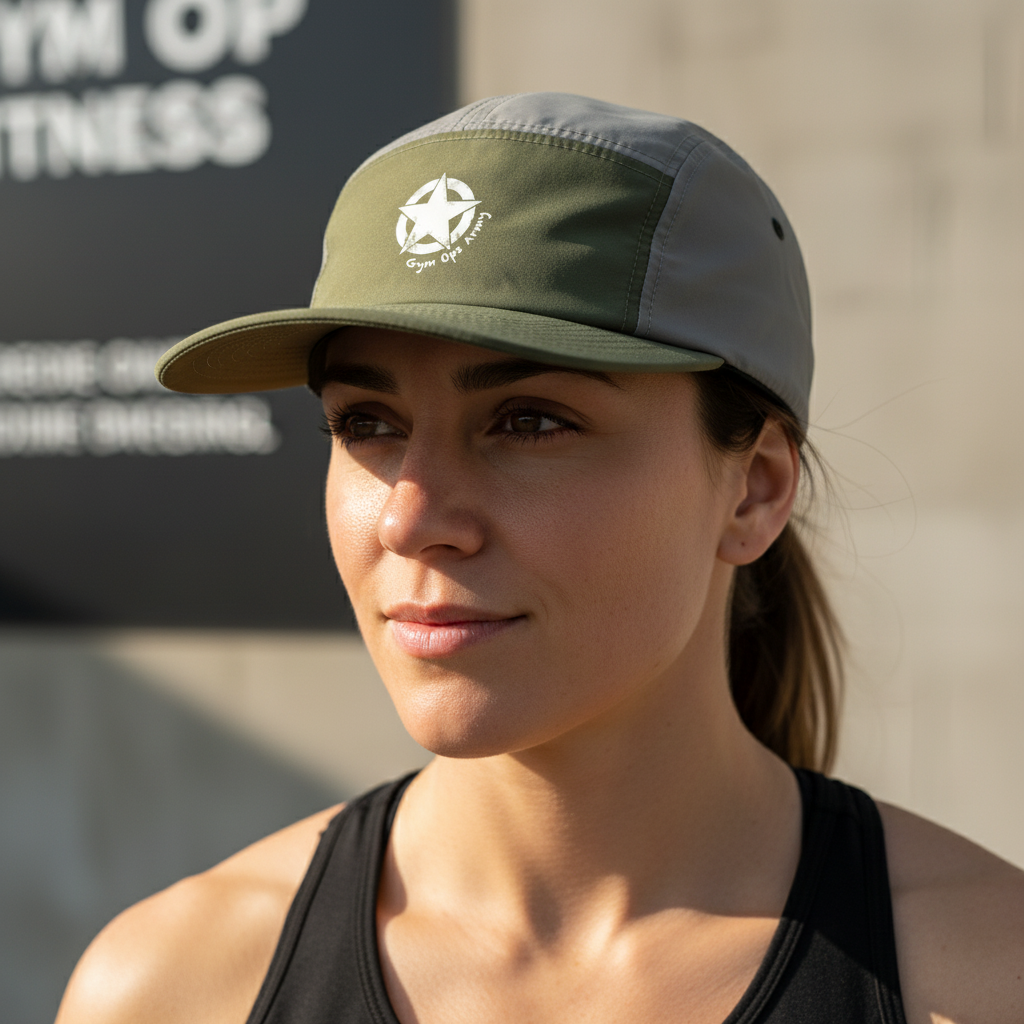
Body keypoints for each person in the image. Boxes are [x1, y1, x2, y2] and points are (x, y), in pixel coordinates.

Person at [57, 93, 1022, 1024]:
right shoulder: (173, 988)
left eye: (529, 421)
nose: (412, 517)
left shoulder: (987, 975)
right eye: (367, 423)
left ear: (754, 488)